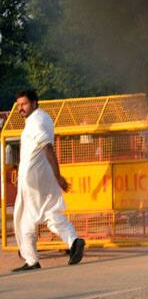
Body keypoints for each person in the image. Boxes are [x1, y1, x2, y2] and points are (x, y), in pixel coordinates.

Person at [12, 89, 85, 272]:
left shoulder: (36, 121)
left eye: (24, 104)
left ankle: (32, 260)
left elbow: (47, 148)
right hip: (42, 175)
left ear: (35, 103)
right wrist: (55, 175)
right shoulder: (42, 118)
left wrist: (58, 175)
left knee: (24, 218)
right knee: (51, 213)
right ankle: (74, 241)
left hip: (34, 178)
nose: (20, 108)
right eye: (18, 105)